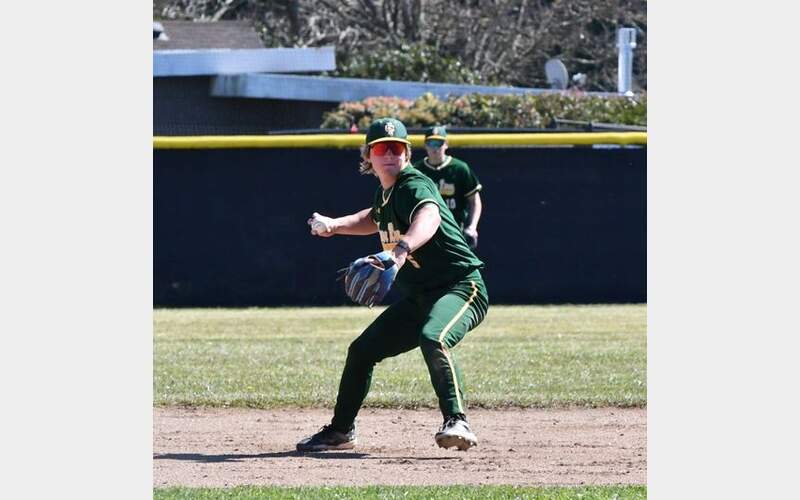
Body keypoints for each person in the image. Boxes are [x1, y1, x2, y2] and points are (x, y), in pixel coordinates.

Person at [299, 117, 489, 452]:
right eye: (383, 148)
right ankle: (341, 430)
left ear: (407, 154)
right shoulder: (387, 193)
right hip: (420, 297)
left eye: (398, 148)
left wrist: (400, 251)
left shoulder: (414, 184)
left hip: (460, 288)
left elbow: (428, 215)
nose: (391, 154)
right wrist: (333, 225)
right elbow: (373, 217)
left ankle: (457, 420)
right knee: (362, 351)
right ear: (368, 155)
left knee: (435, 338)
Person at [413, 126, 483, 249]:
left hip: (454, 234)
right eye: (431, 143)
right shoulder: (416, 171)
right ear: (425, 145)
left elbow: (474, 201)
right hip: (424, 235)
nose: (435, 148)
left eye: (439, 143)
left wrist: (472, 227)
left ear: (446, 144)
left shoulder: (460, 168)